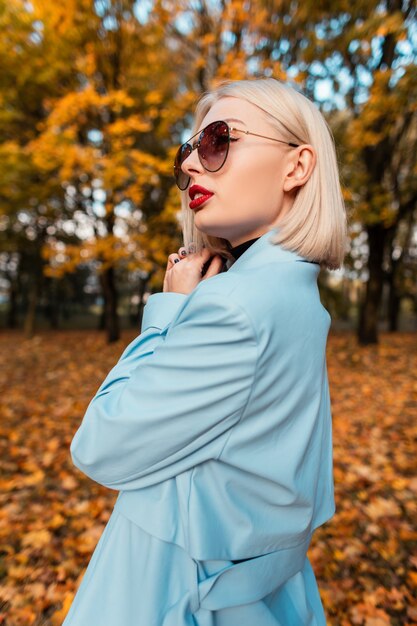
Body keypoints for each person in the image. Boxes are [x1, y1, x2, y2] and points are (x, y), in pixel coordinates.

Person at [63, 77, 347, 626]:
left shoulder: (233, 305)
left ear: (297, 166)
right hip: (258, 590)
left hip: (165, 589)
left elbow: (98, 445)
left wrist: (168, 313)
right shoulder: (293, 293)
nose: (192, 164)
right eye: (187, 150)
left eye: (219, 140)